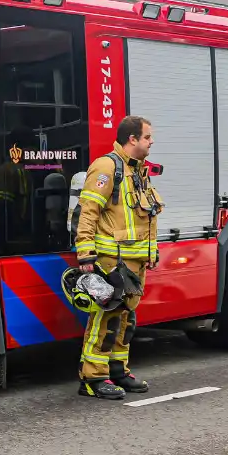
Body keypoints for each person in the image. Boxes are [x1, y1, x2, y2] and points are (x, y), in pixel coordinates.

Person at [71, 115, 163, 400]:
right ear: (132, 138)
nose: (151, 142)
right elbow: (88, 212)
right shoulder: (106, 167)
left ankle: (118, 371)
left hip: (134, 261)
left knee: (126, 320)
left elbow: (145, 216)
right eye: (147, 137)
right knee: (106, 318)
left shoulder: (137, 171)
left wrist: (151, 251)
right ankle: (92, 379)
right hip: (112, 260)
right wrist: (86, 252)